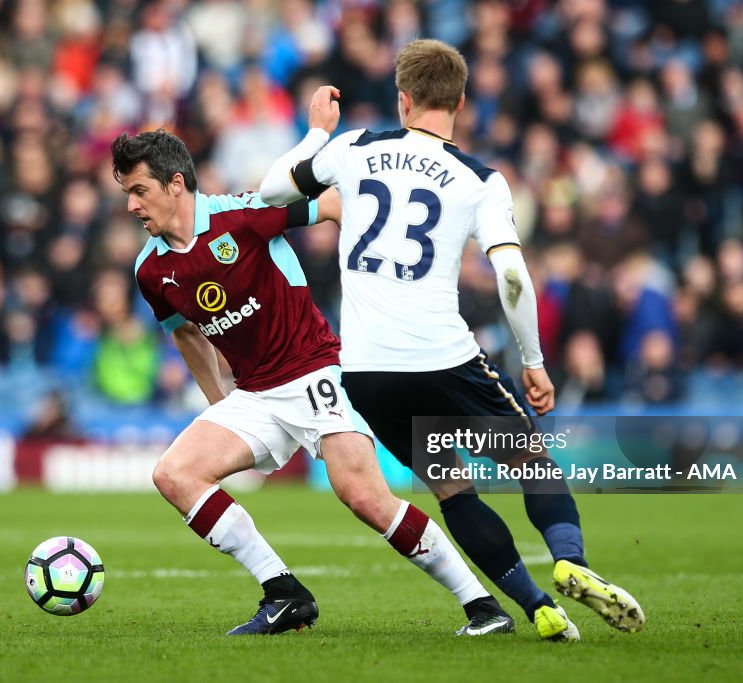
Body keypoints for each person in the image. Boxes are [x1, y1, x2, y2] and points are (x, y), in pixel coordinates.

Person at [259, 39, 645, 639]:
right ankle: (571, 562)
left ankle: (536, 605)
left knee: (450, 485)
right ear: (461, 101)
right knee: (533, 464)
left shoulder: (354, 148)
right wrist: (535, 362)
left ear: (403, 99)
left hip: (364, 370)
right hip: (442, 357)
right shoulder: (480, 180)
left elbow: (271, 192)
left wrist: (315, 134)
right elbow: (512, 275)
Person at [112, 129, 516, 637]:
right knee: (174, 475)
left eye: (138, 190)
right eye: (125, 192)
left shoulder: (245, 213)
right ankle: (284, 593)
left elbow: (333, 205)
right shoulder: (150, 269)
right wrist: (222, 407)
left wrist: (383, 278)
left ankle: (482, 606)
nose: (130, 205)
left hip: (316, 370)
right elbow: (189, 336)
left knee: (364, 497)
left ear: (176, 184)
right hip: (255, 394)